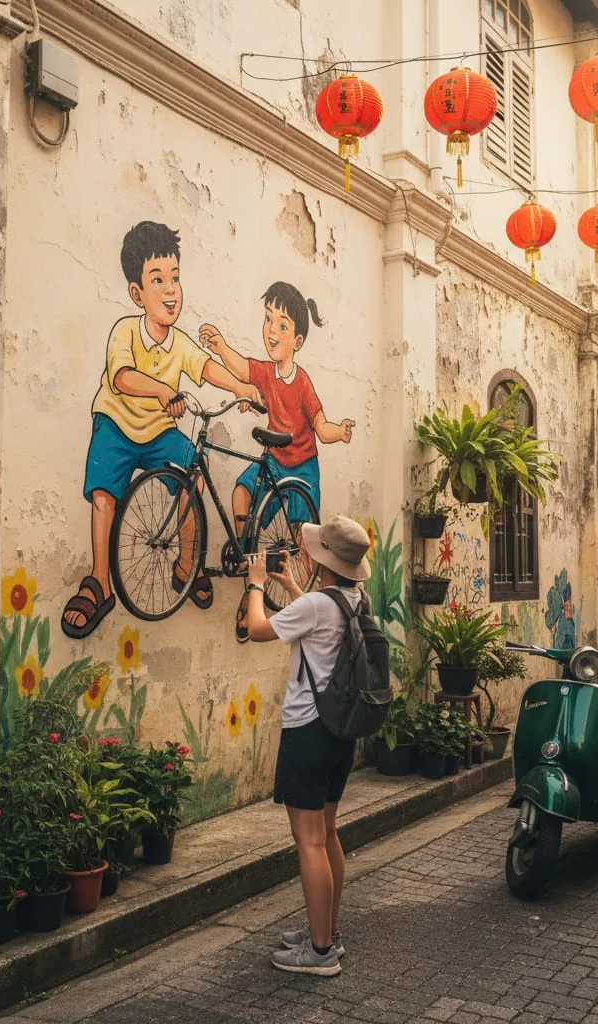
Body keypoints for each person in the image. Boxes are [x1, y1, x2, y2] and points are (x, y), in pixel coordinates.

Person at [62, 221, 260, 639]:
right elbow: (122, 378)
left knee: (193, 472)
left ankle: (187, 563)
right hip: (116, 423)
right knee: (103, 494)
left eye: (175, 279)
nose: (171, 290)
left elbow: (205, 368)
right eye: (158, 280)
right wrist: (163, 390)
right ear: (137, 294)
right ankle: (100, 581)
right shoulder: (125, 331)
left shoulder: (181, 342)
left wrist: (241, 385)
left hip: (156, 432)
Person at [243, 515, 372, 977]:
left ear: (323, 560)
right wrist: (293, 584)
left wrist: (257, 584)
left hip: (307, 732)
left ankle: (318, 953)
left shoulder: (318, 604)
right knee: (328, 833)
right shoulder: (353, 599)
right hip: (339, 734)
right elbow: (315, 620)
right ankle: (327, 934)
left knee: (309, 841)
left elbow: (259, 629)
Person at [198, 282, 355, 642]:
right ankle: (245, 551)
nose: (272, 330)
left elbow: (320, 425)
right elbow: (241, 369)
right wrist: (220, 345)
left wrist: (340, 432)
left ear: (297, 340)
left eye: (282, 325)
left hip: (300, 466)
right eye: (269, 320)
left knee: (302, 541)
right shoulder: (267, 374)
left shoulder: (301, 383)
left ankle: (304, 608)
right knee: (241, 491)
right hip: (274, 459)